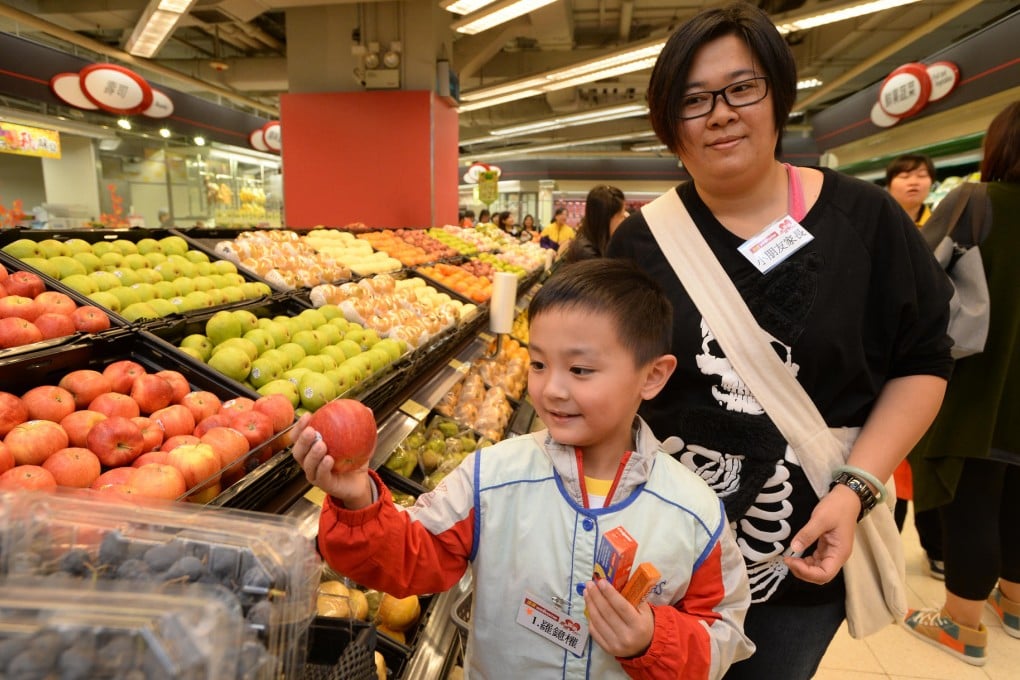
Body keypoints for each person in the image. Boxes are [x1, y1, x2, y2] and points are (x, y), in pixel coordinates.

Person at [605, 3, 953, 678]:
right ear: (668, 121)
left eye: (742, 87)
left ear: (777, 95)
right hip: (662, 549)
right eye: (693, 99)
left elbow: (923, 361)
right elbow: (604, 379)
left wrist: (855, 491)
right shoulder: (639, 244)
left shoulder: (867, 221)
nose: (721, 112)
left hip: (803, 552)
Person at [292, 259, 754, 679]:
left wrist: (654, 639)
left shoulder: (694, 513)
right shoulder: (492, 478)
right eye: (537, 363)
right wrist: (357, 500)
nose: (551, 388)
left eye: (580, 370)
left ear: (652, 375)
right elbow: (412, 558)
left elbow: (722, 634)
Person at [904, 100, 1020, 667]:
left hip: (978, 384)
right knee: (1019, 498)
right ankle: (1016, 603)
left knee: (970, 497)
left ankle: (961, 622)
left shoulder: (976, 201)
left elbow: (918, 275)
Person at [885, 153, 945, 580]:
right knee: (888, 466)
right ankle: (886, 549)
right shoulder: (876, 225)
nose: (914, 181)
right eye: (905, 174)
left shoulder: (947, 223)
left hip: (929, 361)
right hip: (883, 364)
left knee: (919, 466)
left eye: (922, 174)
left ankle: (932, 548)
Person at [562, 186, 627, 262]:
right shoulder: (587, 254)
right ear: (606, 218)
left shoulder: (595, 243)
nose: (624, 220)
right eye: (621, 216)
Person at [886, 154, 936, 226]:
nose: (913, 182)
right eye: (904, 176)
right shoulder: (874, 223)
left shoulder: (942, 225)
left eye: (922, 175)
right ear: (889, 185)